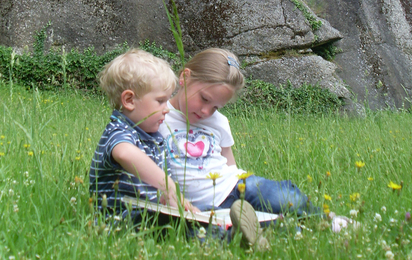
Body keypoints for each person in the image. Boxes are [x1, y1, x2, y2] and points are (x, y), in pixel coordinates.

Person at [158, 48, 357, 236]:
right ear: (185, 77)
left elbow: (230, 165)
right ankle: (295, 231)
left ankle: (323, 218)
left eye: (216, 107)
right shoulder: (158, 116)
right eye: (204, 99)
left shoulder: (218, 122)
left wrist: (242, 189)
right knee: (238, 227)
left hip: (236, 186)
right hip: (199, 205)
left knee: (281, 198)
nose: (205, 111)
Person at [89, 48, 199, 226]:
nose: (167, 108)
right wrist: (169, 187)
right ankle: (223, 235)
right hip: (122, 218)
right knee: (181, 224)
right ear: (130, 101)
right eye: (160, 100)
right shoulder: (119, 130)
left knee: (203, 211)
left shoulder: (151, 136)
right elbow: (125, 153)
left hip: (151, 212)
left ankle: (233, 230)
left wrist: (165, 198)